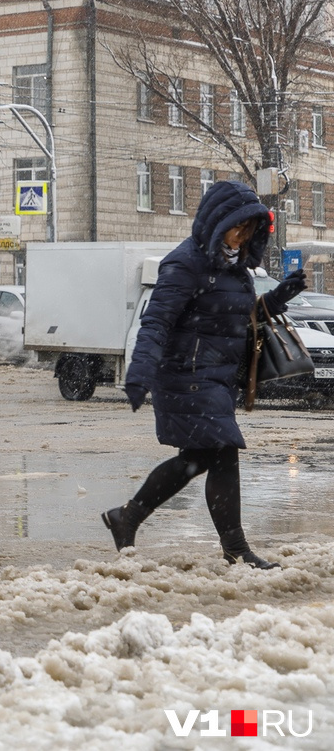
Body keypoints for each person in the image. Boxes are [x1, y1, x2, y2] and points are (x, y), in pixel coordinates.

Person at [103, 180, 307, 569]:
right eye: (236, 228)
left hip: (218, 377)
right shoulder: (185, 263)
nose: (241, 238)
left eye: (249, 231)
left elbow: (236, 315)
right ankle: (236, 549)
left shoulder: (237, 267)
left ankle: (127, 516)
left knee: (196, 459)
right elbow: (157, 322)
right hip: (186, 376)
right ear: (217, 221)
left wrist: (278, 297)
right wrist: (139, 371)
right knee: (224, 452)